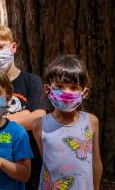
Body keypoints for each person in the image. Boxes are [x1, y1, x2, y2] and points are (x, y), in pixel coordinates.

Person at [0, 24, 50, 188]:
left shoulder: (31, 81)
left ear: (13, 47)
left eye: (0, 47)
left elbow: (39, 118)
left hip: (31, 163)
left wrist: (0, 121)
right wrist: (25, 116)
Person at [32, 55, 102, 190]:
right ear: (48, 89)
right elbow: (46, 161)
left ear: (84, 92)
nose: (66, 93)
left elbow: (96, 162)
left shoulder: (91, 121)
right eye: (59, 86)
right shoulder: (39, 125)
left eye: (74, 87)